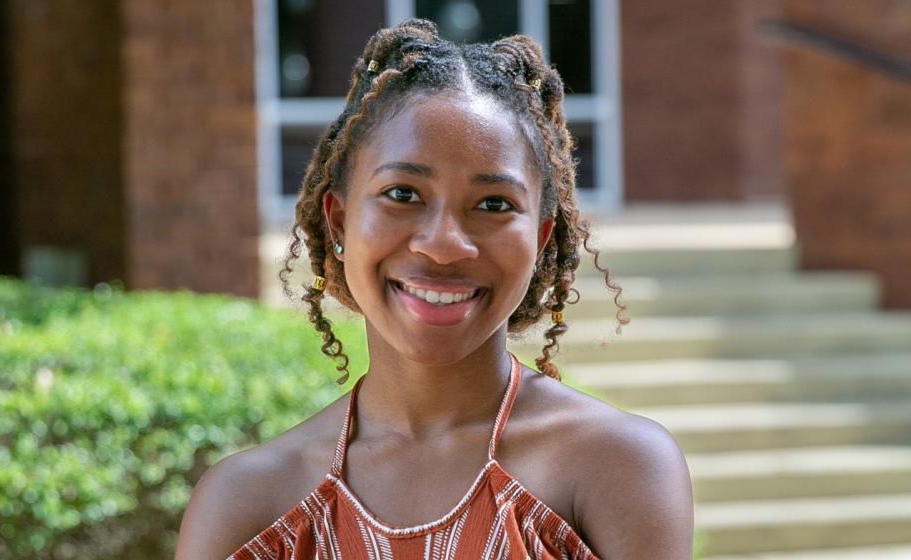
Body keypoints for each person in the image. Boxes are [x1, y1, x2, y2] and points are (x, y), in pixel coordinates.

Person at [176, 19, 693, 560]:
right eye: (402, 193)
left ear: (540, 241)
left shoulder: (614, 466)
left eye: (494, 204)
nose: (444, 245)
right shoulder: (249, 505)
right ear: (338, 222)